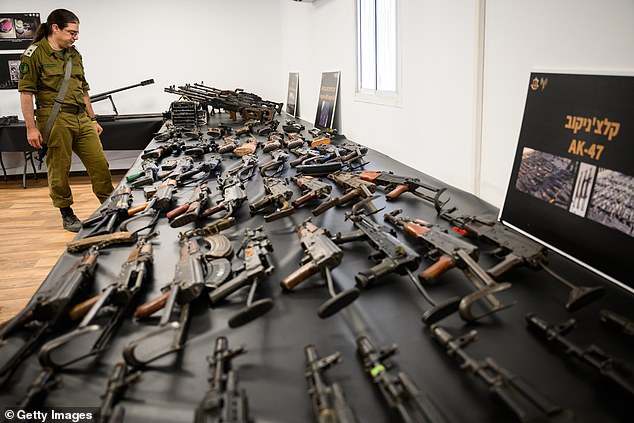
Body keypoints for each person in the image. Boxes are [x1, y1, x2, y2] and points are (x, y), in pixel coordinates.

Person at [18, 9, 114, 232]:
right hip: (54, 118)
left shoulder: (74, 54)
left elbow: (83, 90)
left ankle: (110, 206)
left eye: (76, 33)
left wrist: (92, 119)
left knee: (100, 164)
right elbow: (25, 93)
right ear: (55, 28)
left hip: (81, 117)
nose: (75, 37)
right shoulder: (34, 54)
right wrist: (31, 128)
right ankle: (66, 212)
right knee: (59, 170)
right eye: (72, 32)